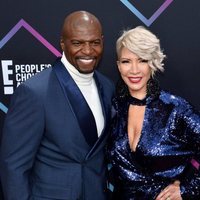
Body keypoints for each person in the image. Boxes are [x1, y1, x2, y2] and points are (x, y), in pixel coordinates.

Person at [0, 11, 115, 200]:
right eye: (78, 43)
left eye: (94, 42)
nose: (88, 51)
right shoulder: (35, 92)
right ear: (63, 43)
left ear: (102, 41)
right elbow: (14, 166)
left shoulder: (108, 87)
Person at [107, 26, 200, 200]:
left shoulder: (175, 109)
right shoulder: (115, 108)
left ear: (152, 63)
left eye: (142, 60)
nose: (134, 70)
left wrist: (187, 189)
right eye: (126, 61)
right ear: (118, 66)